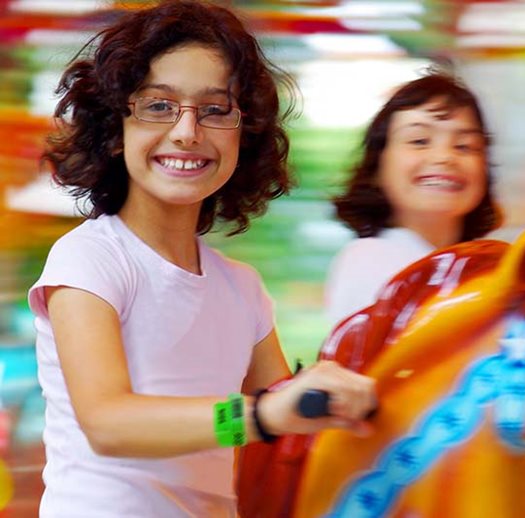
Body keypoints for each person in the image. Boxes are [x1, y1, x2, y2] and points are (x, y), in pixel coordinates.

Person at [28, 1, 375, 516]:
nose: (188, 131)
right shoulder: (89, 259)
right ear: (114, 130)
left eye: (215, 110)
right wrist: (259, 416)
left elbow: (288, 439)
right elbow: (108, 424)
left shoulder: (242, 288)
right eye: (159, 105)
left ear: (244, 134)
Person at [325, 72, 502, 324]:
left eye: (464, 146)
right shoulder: (369, 259)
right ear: (378, 166)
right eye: (419, 141)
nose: (444, 157)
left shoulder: (487, 266)